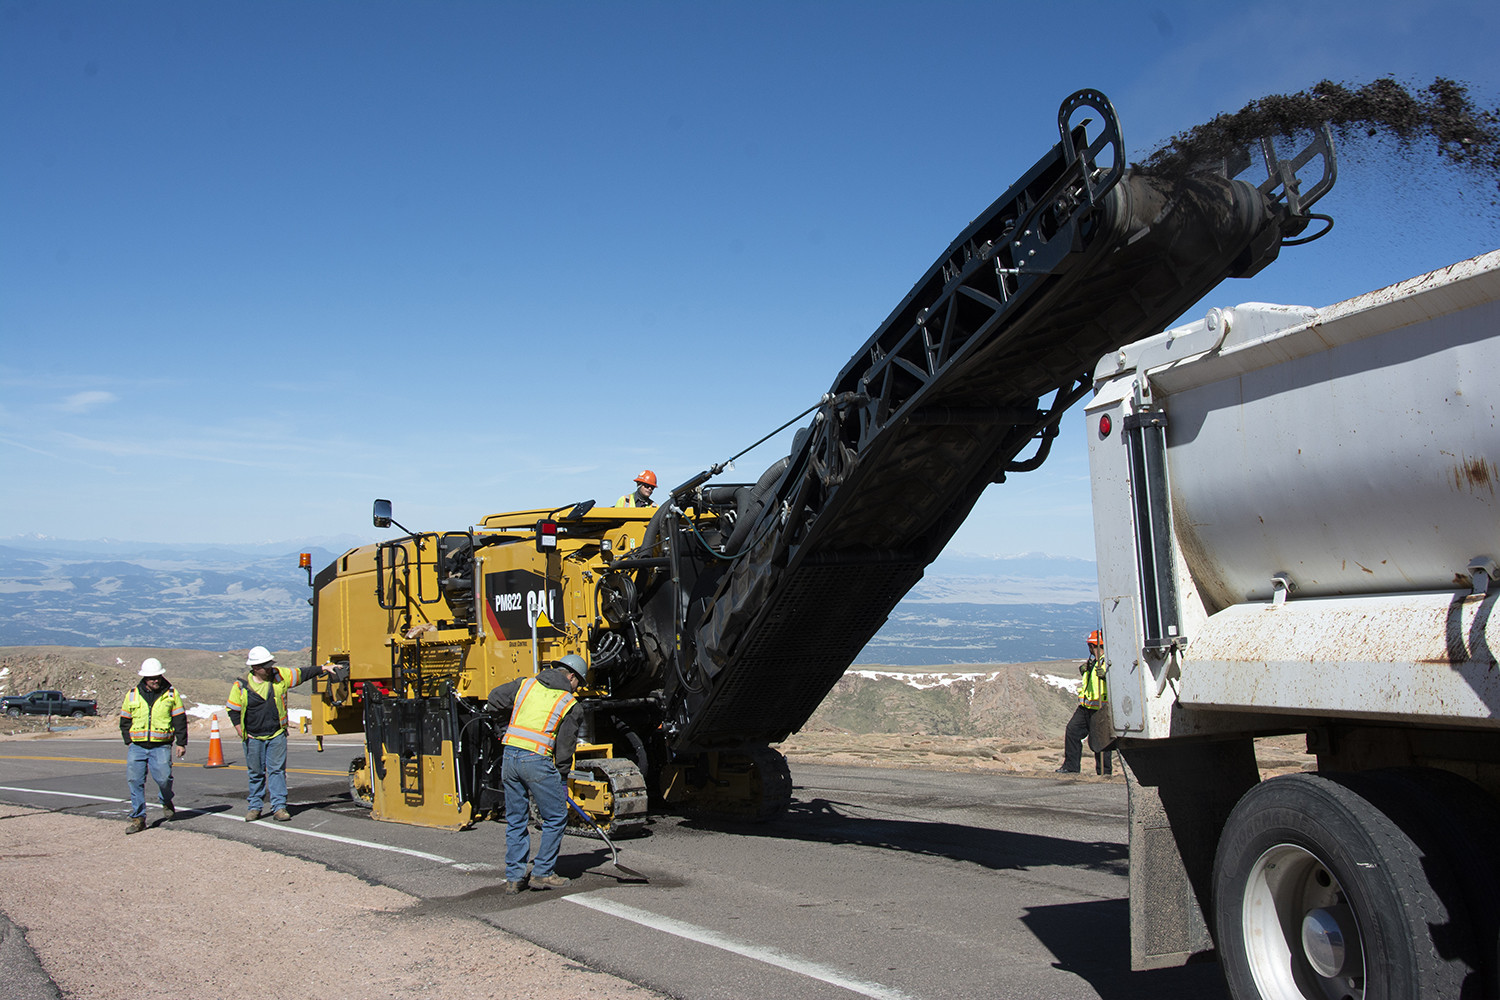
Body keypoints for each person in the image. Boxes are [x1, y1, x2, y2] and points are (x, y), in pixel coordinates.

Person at [487, 654, 587, 893]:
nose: (578, 689)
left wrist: (502, 730)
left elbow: (494, 699)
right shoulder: (569, 703)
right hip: (536, 761)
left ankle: (514, 877)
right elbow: (565, 749)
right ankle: (542, 873)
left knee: (516, 819)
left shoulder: (526, 684)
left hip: (510, 758)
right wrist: (562, 778)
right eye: (579, 683)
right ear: (571, 676)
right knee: (555, 818)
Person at [226, 646, 335, 822]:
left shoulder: (279, 676)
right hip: (253, 737)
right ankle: (255, 807)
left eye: (269, 664)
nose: (268, 668)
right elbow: (233, 710)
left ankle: (279, 807)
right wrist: (240, 730)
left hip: (276, 734)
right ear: (255, 668)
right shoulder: (241, 686)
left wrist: (323, 668)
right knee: (256, 773)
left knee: (277, 771)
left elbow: (301, 673)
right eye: (264, 666)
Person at [120, 657, 187, 834]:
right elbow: (125, 719)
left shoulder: (171, 694)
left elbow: (179, 719)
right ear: (145, 678)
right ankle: (138, 817)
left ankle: (166, 799)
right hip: (137, 746)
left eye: (157, 677)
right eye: (151, 678)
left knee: (164, 779)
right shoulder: (132, 694)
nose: (155, 680)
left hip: (161, 746)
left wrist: (181, 742)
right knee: (135, 780)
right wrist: (129, 740)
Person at [1057, 629, 1111, 775]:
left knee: (1100, 740)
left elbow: (1118, 682)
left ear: (1092, 646)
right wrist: (1084, 670)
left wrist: (1106, 677)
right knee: (1072, 731)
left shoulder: (1108, 662)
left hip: (1100, 707)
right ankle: (1071, 767)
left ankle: (1104, 773)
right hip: (1086, 706)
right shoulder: (1092, 662)